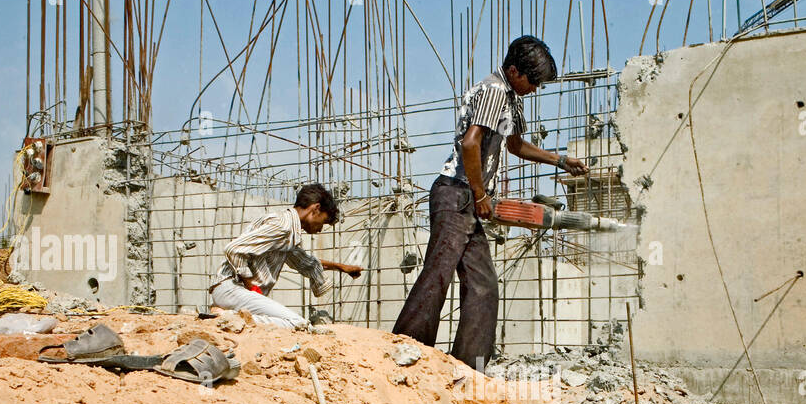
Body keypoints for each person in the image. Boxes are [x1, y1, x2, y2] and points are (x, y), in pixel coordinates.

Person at [392, 35, 589, 370]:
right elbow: (471, 144)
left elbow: (515, 146)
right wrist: (481, 194)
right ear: (514, 71)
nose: (535, 89)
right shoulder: (495, 90)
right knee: (438, 273)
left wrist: (560, 160)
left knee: (482, 283)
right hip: (456, 192)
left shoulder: (511, 97)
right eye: (534, 81)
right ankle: (407, 349)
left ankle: (471, 364)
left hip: (468, 195)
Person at [209, 183, 362, 328]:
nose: (321, 228)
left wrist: (342, 267)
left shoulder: (288, 232)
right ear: (315, 209)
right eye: (324, 221)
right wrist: (251, 285)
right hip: (232, 289)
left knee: (291, 321)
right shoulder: (282, 226)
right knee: (296, 322)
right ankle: (229, 317)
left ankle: (230, 315)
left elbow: (305, 262)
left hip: (234, 292)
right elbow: (234, 249)